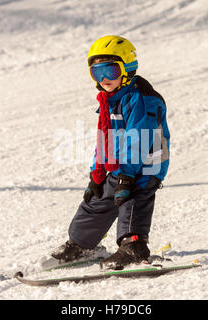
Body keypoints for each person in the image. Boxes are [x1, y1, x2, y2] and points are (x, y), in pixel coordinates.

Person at [52, 35, 170, 270]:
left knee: (131, 198)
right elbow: (105, 138)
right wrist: (96, 172)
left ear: (128, 68)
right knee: (97, 199)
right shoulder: (110, 99)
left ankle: (133, 247)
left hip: (146, 164)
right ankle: (82, 244)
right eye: (97, 73)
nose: (104, 79)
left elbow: (140, 139)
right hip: (120, 164)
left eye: (111, 71)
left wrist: (127, 175)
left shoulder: (143, 99)